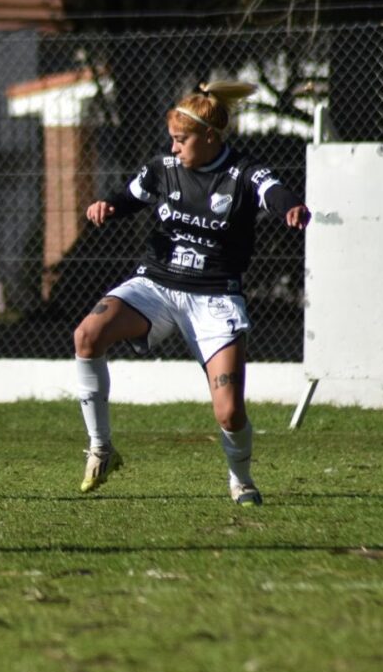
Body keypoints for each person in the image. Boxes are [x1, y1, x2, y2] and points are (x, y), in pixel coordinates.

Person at [72, 81, 311, 507]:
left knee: (229, 412)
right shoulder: (162, 168)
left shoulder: (242, 172)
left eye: (181, 139)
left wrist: (290, 206)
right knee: (87, 335)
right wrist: (106, 205)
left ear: (211, 137)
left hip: (215, 297)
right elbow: (129, 197)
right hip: (156, 285)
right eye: (172, 138)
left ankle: (241, 480)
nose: (174, 146)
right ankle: (101, 448)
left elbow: (273, 191)